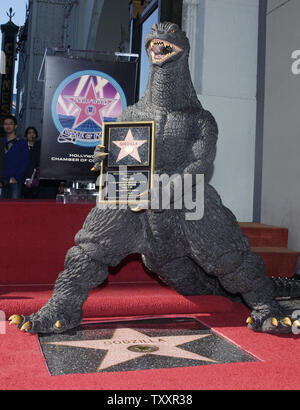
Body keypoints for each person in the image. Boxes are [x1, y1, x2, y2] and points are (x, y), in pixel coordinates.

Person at [1, 115, 30, 199]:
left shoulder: (22, 142)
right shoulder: (1, 142)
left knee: (14, 208)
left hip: (15, 180)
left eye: (10, 124)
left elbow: (25, 161)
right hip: (1, 180)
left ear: (15, 126)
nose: (8, 126)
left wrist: (16, 177)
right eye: (5, 124)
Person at [23, 127, 41, 199]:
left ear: (36, 135)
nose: (31, 135)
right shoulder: (22, 146)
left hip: (36, 175)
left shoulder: (39, 145)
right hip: (24, 174)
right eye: (29, 133)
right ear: (26, 135)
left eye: (33, 133)